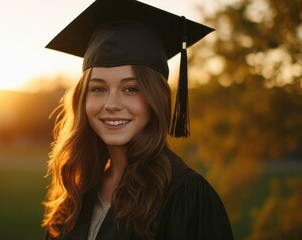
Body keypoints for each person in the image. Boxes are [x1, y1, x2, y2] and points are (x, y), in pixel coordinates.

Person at [42, 0, 234, 239]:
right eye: (98, 89)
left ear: (156, 98)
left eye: (130, 89)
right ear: (82, 100)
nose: (111, 104)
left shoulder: (184, 194)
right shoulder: (78, 189)